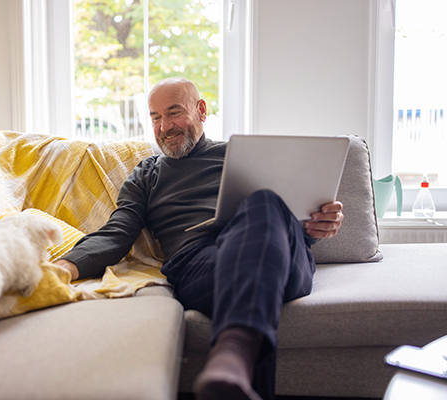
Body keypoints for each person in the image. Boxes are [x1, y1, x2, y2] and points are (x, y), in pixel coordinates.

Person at [54, 77, 343, 400]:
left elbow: (287, 220)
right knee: (260, 229)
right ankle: (233, 365)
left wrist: (317, 226)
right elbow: (117, 232)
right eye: (155, 117)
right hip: (201, 265)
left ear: (201, 110)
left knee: (264, 200)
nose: (164, 126)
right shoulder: (146, 174)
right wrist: (65, 266)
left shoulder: (243, 155)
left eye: (174, 112)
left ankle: (231, 358)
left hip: (280, 258)